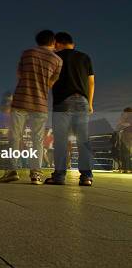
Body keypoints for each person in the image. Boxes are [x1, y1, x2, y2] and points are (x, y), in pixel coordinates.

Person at [0, 30, 62, 185]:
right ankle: (36, 174)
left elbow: (19, 74)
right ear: (53, 42)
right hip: (40, 103)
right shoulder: (58, 60)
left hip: (21, 100)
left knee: (15, 137)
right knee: (38, 140)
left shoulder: (27, 53)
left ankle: (11, 171)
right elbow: (51, 83)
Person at [46, 32, 95, 186]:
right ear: (72, 43)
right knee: (83, 140)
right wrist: (90, 103)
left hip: (63, 102)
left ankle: (59, 176)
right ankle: (86, 177)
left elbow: (49, 82)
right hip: (82, 101)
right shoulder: (84, 57)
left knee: (61, 140)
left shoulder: (55, 58)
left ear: (58, 43)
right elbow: (91, 82)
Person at [116, 107, 132, 173]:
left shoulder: (127, 117)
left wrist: (122, 124)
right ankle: (126, 168)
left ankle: (126, 168)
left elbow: (120, 124)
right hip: (126, 134)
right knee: (126, 152)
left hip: (127, 134)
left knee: (125, 152)